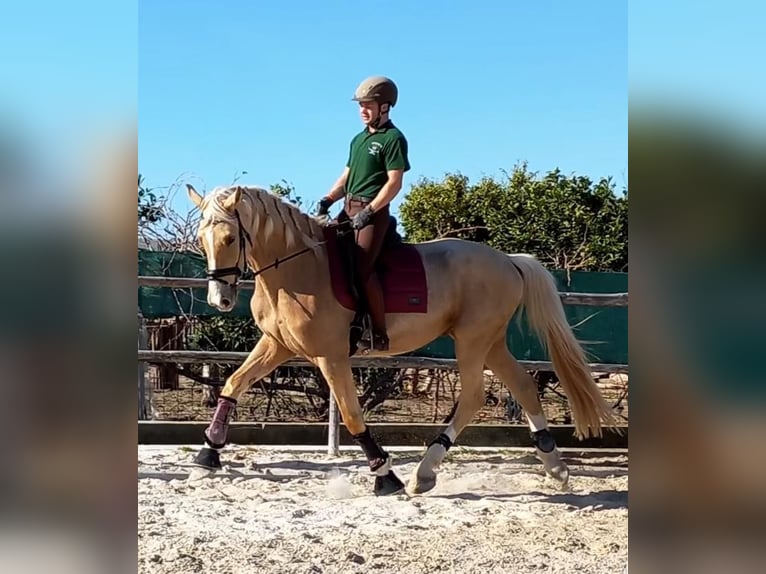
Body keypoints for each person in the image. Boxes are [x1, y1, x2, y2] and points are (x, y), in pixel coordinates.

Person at [317, 76, 411, 352]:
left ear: (385, 107)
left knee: (361, 268)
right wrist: (328, 199)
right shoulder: (357, 140)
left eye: (368, 104)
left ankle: (378, 333)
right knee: (326, 255)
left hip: (374, 212)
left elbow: (394, 182)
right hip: (348, 208)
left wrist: (370, 211)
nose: (362, 110)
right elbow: (347, 176)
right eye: (360, 105)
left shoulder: (393, 139)